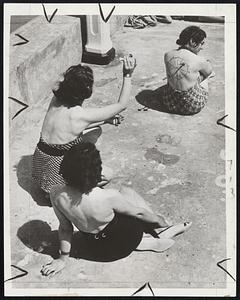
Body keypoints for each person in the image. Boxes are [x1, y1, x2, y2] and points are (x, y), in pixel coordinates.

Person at [41, 142, 192, 277]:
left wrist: (62, 259)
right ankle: (159, 231)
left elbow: (65, 229)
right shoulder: (108, 196)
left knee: (109, 218)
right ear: (96, 171)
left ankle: (146, 242)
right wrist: (159, 220)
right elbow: (139, 213)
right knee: (126, 192)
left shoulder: (56, 194)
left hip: (98, 250)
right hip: (126, 240)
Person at [32, 54, 136, 196]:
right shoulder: (79, 115)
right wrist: (127, 74)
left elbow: (69, 128)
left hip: (41, 166)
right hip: (56, 178)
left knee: (95, 130)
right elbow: (122, 105)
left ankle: (53, 188)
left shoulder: (56, 99)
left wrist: (105, 121)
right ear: (86, 92)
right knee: (108, 174)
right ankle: (66, 191)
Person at [162, 26, 214, 115]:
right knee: (206, 75)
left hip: (169, 102)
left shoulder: (167, 54)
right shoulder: (199, 60)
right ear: (192, 42)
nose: (202, 47)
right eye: (201, 43)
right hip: (192, 106)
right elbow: (209, 72)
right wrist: (206, 63)